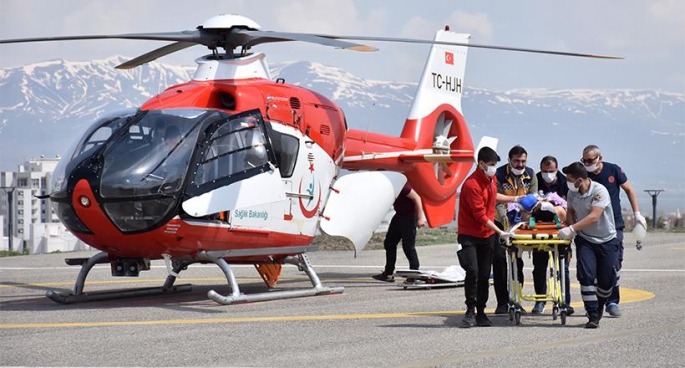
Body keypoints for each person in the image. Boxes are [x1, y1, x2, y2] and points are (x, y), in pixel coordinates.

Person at [457, 147, 521, 328]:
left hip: (486, 235)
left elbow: (494, 198)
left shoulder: (490, 178)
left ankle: (481, 311)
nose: (494, 168)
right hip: (469, 235)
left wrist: (515, 199)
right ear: (482, 164)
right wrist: (501, 232)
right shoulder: (471, 185)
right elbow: (481, 216)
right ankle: (470, 310)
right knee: (473, 272)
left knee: (484, 275)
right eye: (492, 165)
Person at [582, 145, 646, 317]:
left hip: (614, 225)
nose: (587, 164)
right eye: (584, 161)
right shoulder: (583, 175)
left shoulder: (613, 170)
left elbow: (629, 190)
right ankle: (597, 301)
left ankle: (612, 301)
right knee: (594, 268)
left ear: (599, 158)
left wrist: (637, 214)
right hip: (592, 227)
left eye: (590, 160)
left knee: (614, 264)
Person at [559, 162, 620, 329]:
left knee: (606, 282)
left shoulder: (599, 191)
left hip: (607, 240)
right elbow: (570, 212)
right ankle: (592, 314)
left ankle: (600, 305)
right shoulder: (572, 193)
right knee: (585, 276)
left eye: (569, 179)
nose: (567, 182)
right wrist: (571, 230)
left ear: (579, 180)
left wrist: (572, 228)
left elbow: (594, 216)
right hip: (586, 240)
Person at [493, 145, 538, 314]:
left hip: (520, 222)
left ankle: (517, 300)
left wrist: (520, 221)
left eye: (523, 161)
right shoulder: (498, 174)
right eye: (516, 161)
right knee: (499, 261)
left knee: (516, 262)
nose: (520, 164)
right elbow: (497, 201)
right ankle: (502, 303)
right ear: (509, 160)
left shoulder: (531, 174)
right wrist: (506, 225)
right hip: (499, 222)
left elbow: (533, 200)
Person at [531, 156, 574, 315]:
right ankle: (540, 301)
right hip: (539, 229)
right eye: (545, 171)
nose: (548, 174)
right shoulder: (535, 180)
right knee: (540, 267)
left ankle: (565, 301)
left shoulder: (564, 183)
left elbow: (570, 207)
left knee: (563, 268)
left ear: (557, 170)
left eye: (551, 171)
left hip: (560, 230)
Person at [372, 183, 426, 282]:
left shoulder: (402, 185)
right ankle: (388, 274)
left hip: (409, 217)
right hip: (399, 216)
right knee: (389, 243)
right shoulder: (388, 188)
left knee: (408, 247)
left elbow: (417, 198)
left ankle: (414, 275)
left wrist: (420, 219)